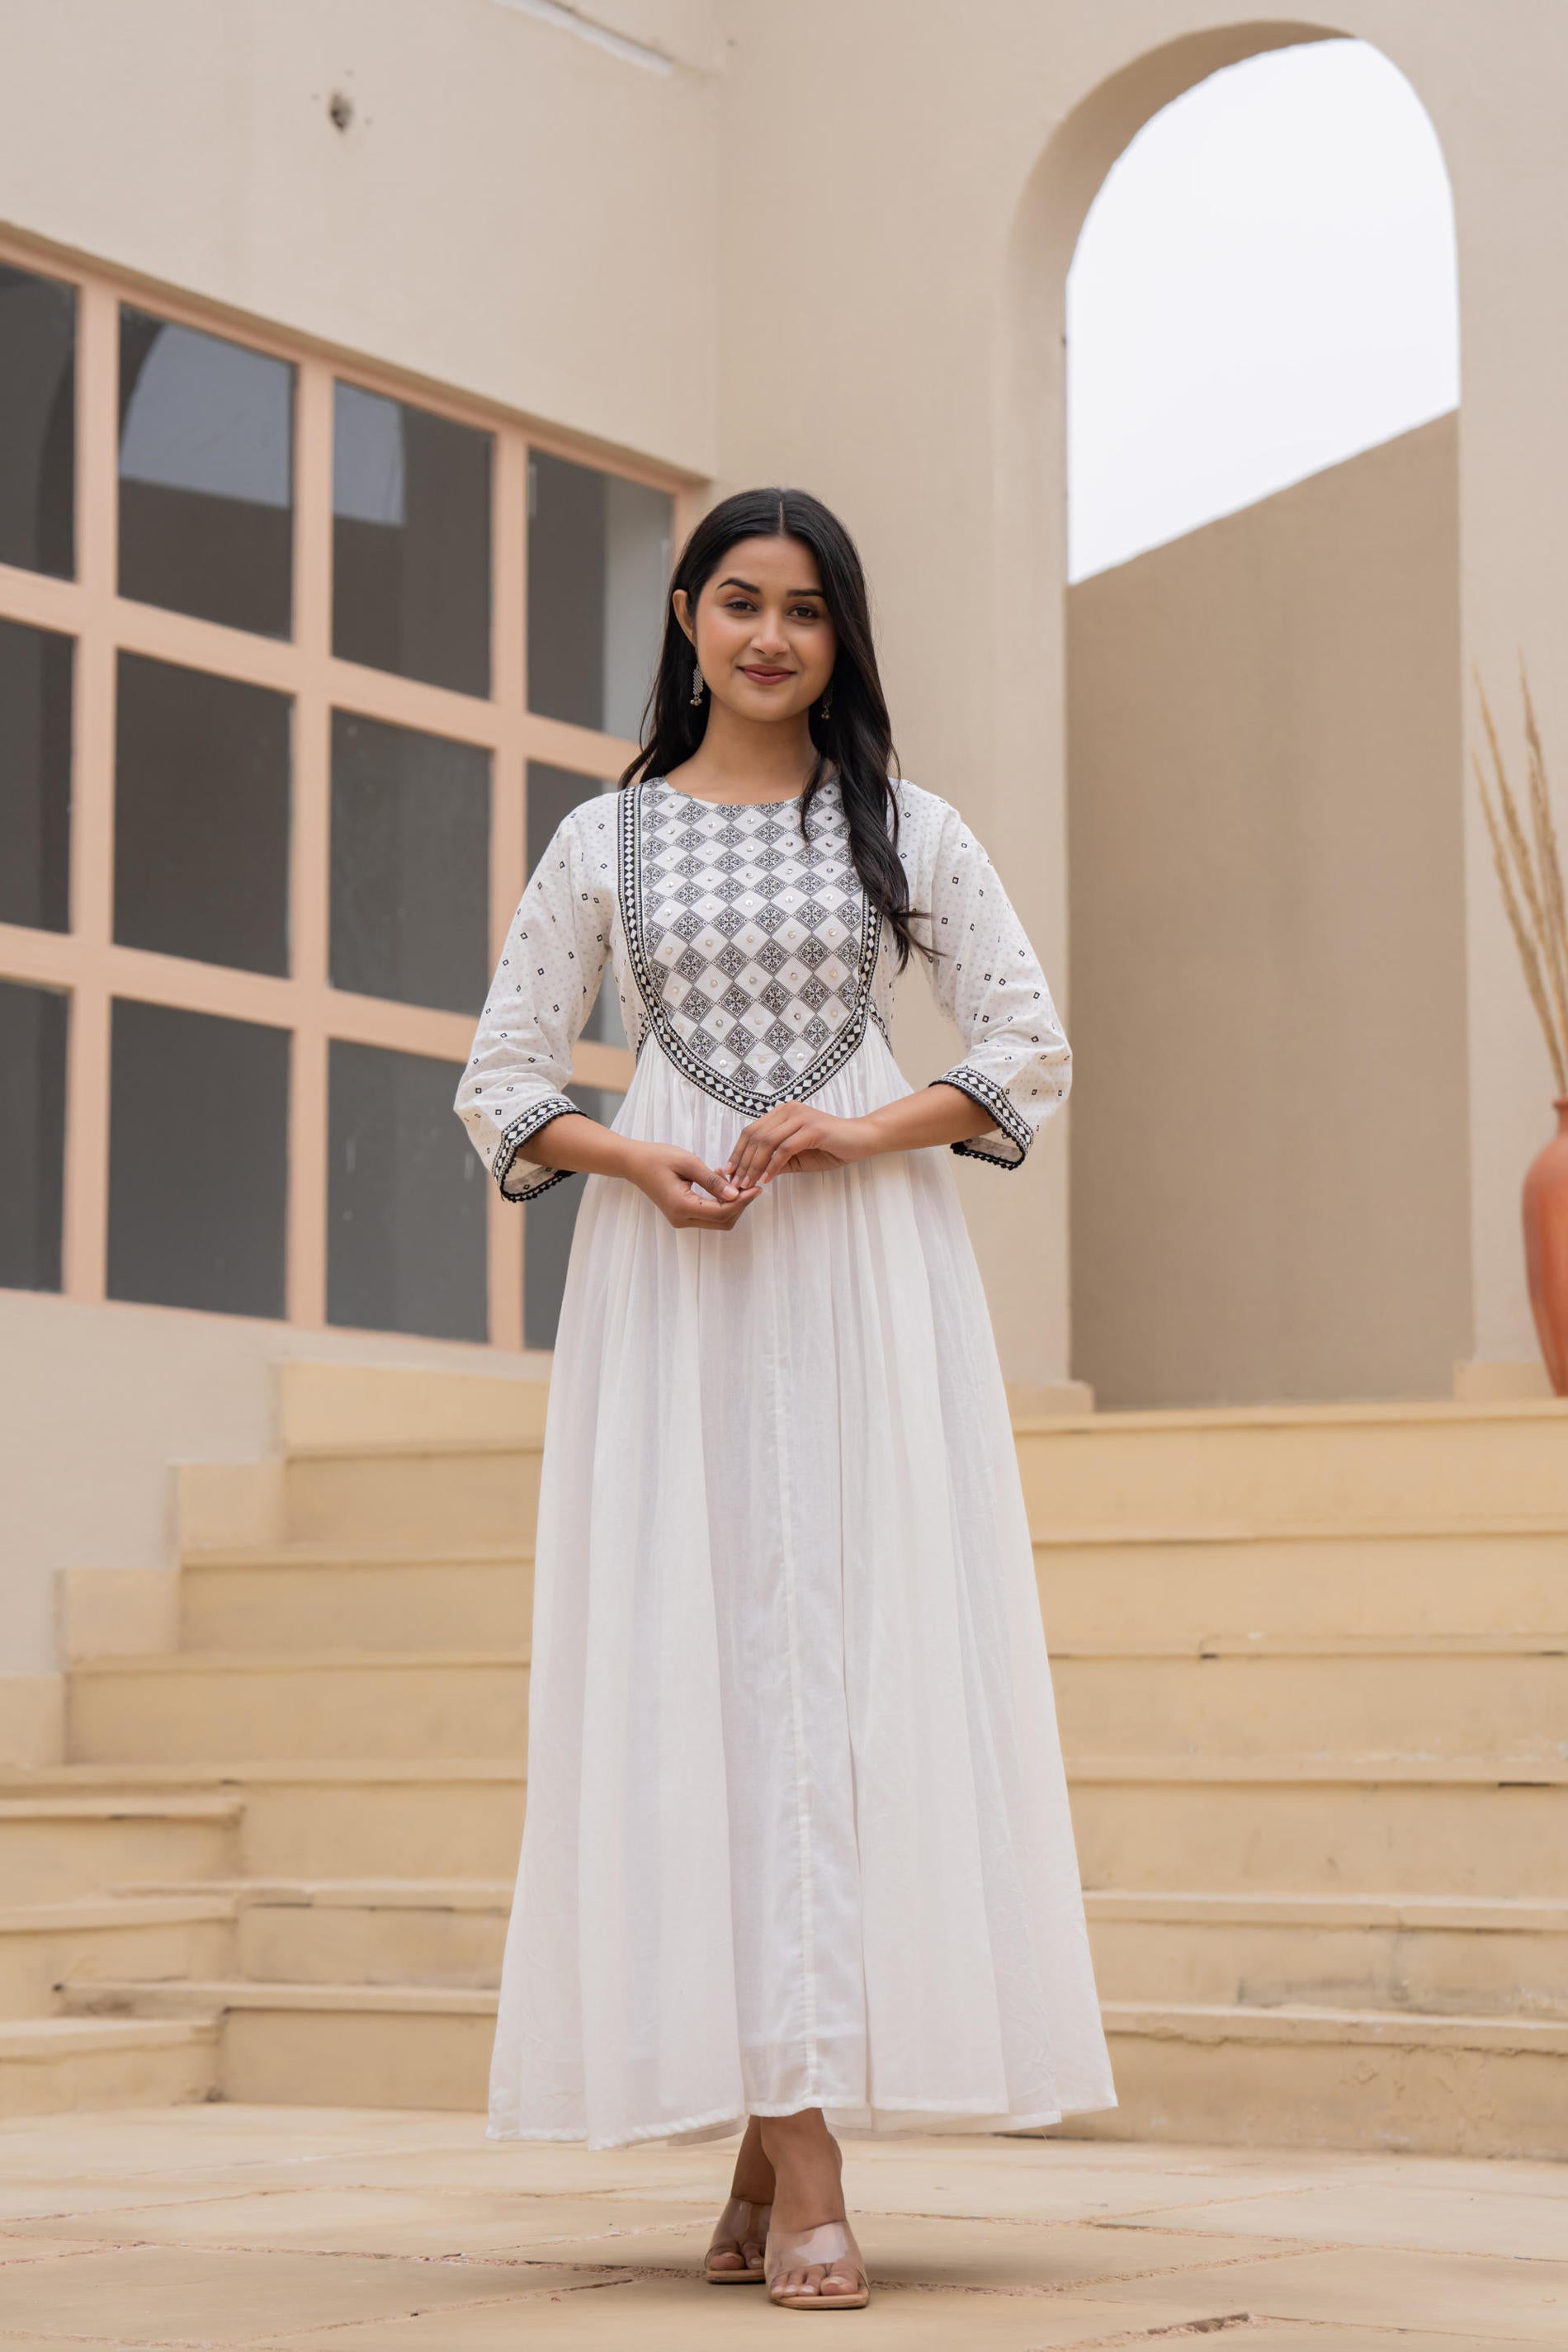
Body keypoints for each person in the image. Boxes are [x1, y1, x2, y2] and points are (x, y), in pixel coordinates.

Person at [456, 487, 1115, 2312]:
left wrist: (854, 1130)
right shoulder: (601, 842)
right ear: (683, 616)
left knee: (836, 1664)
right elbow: (502, 1080)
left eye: (805, 610)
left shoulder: (905, 829)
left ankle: (780, 2141)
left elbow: (1024, 1048)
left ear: (841, 637)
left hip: (860, 1270)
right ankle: (797, 2148)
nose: (768, 637)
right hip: (674, 1276)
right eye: (737, 602)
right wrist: (626, 1160)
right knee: (712, 1662)